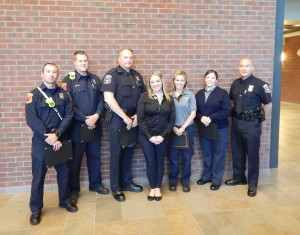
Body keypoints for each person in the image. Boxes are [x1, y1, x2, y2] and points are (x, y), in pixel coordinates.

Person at [25, 63, 78, 225]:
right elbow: (31, 119)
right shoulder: (33, 95)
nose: (52, 75)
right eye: (48, 72)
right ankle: (35, 209)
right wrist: (48, 136)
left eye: (54, 72)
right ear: (42, 74)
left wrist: (57, 135)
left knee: (64, 173)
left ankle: (64, 200)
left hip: (60, 139)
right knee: (38, 176)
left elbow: (69, 115)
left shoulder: (64, 94)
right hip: (42, 142)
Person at [61, 51, 109, 204]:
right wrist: (85, 118)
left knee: (95, 157)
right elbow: (69, 105)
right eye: (80, 61)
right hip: (77, 127)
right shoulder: (68, 81)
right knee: (75, 160)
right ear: (74, 63)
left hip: (95, 124)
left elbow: (102, 100)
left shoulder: (95, 79)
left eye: (85, 61)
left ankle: (95, 184)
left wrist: (96, 115)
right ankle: (74, 190)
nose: (83, 63)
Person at [101, 48, 146, 202]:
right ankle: (116, 187)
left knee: (129, 153)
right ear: (119, 59)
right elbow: (108, 98)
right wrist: (125, 117)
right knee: (116, 154)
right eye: (125, 57)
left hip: (133, 120)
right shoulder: (112, 75)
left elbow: (144, 99)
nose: (128, 60)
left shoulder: (137, 76)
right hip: (117, 120)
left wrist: (136, 117)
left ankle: (126, 182)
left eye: (130, 57)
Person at [225, 58, 272, 197]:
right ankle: (239, 178)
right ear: (238, 68)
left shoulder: (260, 84)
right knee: (237, 152)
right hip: (236, 123)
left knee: (252, 154)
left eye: (247, 66)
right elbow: (232, 101)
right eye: (241, 66)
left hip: (252, 125)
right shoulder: (235, 84)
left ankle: (252, 184)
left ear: (252, 68)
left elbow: (268, 104)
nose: (244, 68)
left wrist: (259, 119)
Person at [137, 71, 176, 201]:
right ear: (149, 84)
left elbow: (172, 121)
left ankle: (158, 188)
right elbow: (140, 120)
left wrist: (162, 136)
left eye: (157, 81)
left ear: (162, 82)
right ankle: (152, 187)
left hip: (163, 137)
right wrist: (150, 137)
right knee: (150, 162)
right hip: (146, 137)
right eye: (152, 82)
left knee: (160, 161)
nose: (155, 84)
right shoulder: (144, 97)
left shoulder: (169, 99)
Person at [195, 70, 231, 191]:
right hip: (205, 129)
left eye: (213, 78)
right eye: (208, 77)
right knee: (206, 154)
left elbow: (227, 111)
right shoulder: (199, 94)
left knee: (219, 155)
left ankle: (216, 180)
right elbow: (195, 112)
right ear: (204, 79)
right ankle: (206, 177)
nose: (210, 80)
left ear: (216, 80)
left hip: (220, 129)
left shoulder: (222, 93)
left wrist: (210, 118)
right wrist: (201, 118)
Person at [167, 70, 196, 193]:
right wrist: (174, 127)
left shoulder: (190, 95)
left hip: (187, 129)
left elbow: (193, 113)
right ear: (174, 81)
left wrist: (183, 127)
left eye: (182, 80)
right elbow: (166, 115)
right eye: (177, 80)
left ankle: (185, 181)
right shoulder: (168, 96)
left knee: (187, 158)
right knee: (172, 158)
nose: (179, 82)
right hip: (172, 129)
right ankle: (173, 181)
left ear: (185, 82)